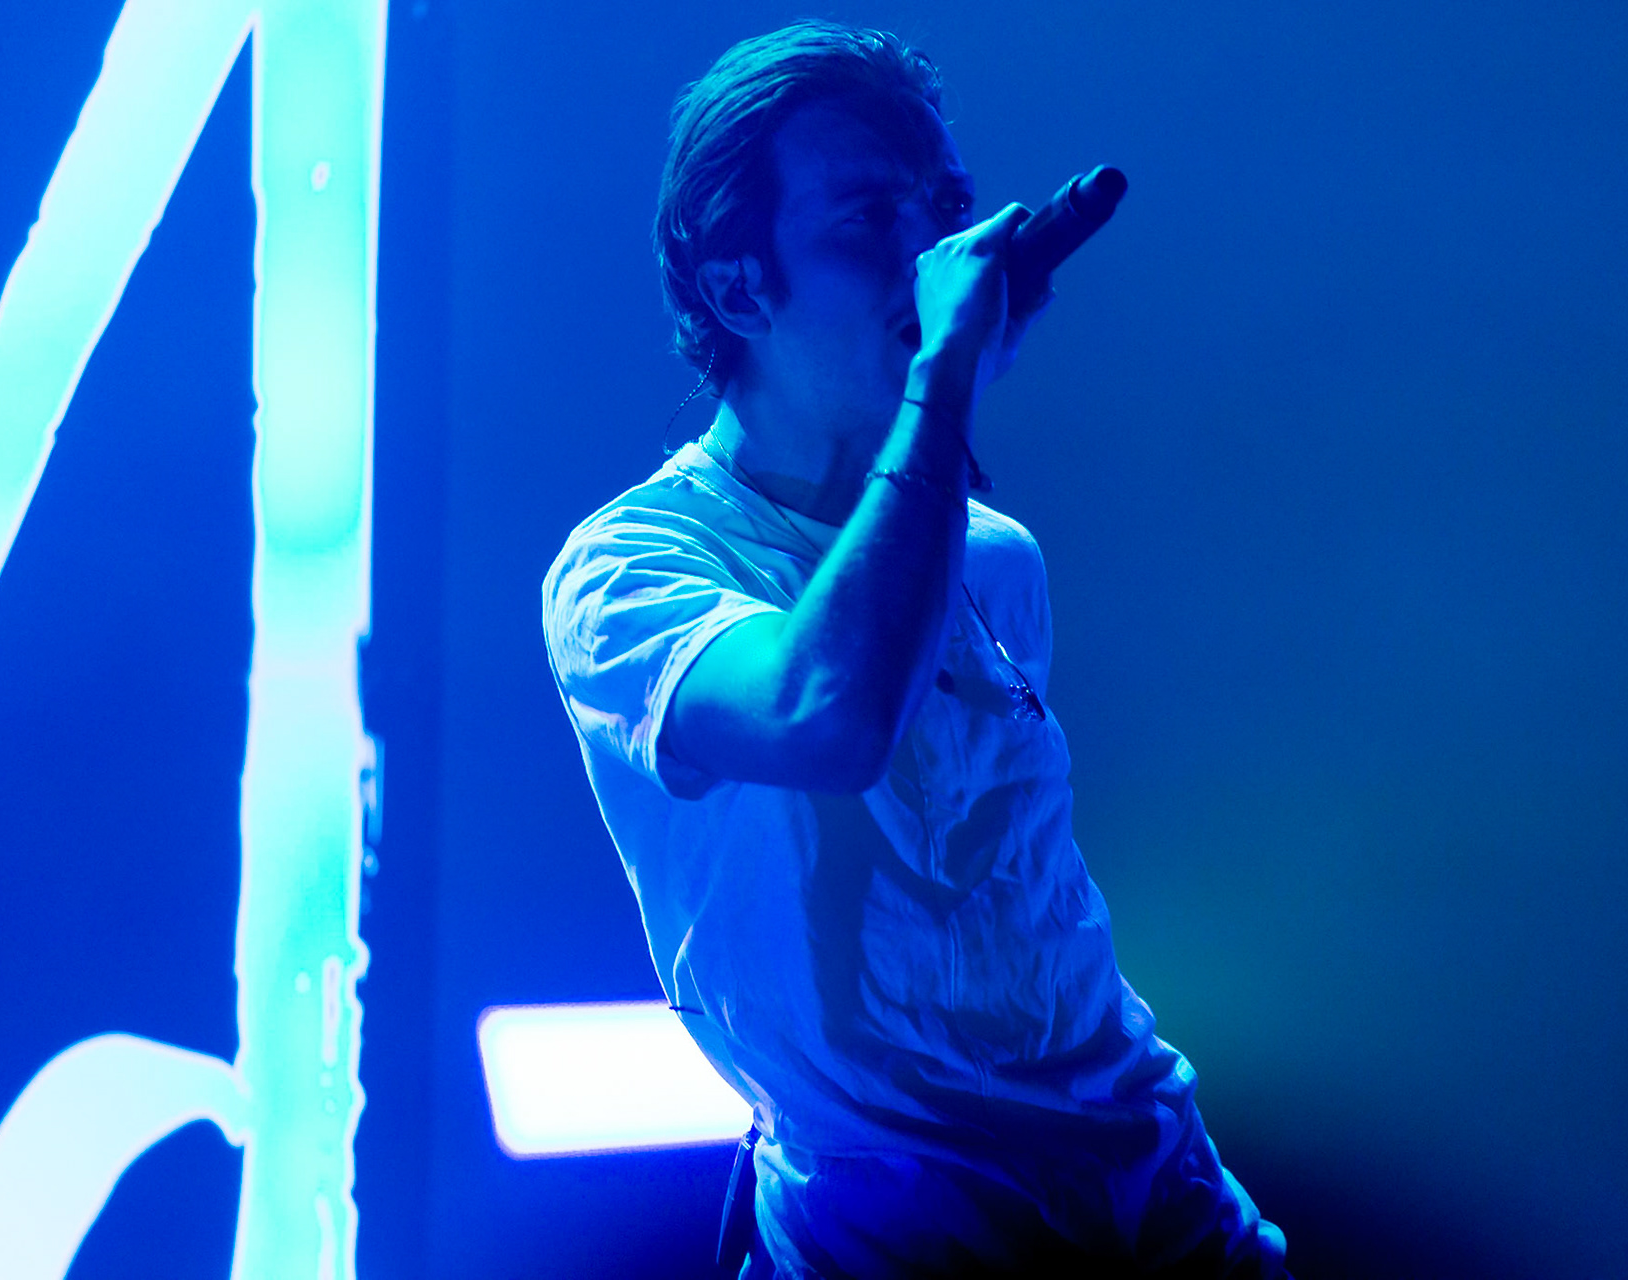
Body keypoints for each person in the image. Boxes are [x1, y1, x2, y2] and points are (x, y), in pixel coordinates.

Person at [543, 21, 1289, 1279]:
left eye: (939, 209)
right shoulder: (626, 569)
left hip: (1163, 1210)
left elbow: (1023, 919)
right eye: (865, 220)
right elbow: (825, 713)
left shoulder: (992, 552)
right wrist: (944, 376)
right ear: (739, 287)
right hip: (888, 1245)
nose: (930, 255)